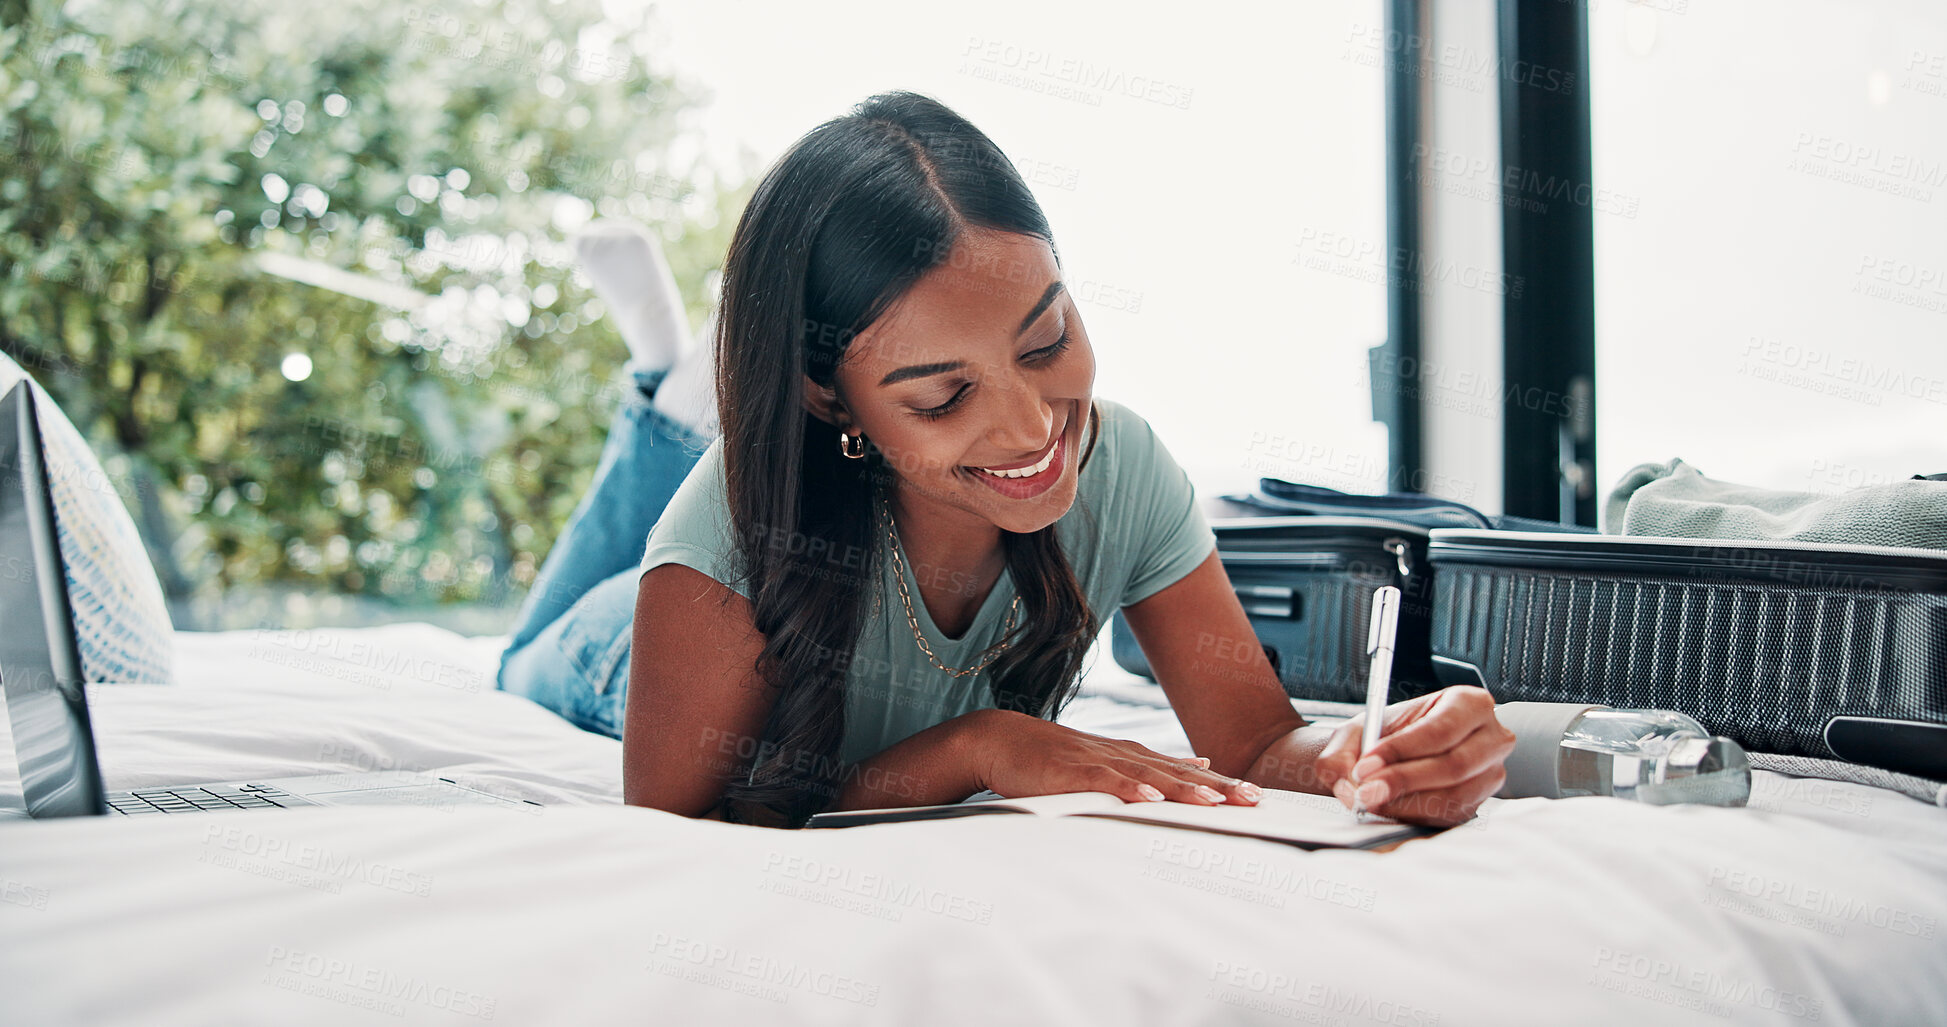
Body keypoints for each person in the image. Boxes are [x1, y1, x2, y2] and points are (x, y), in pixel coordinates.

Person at [497, 90, 1514, 829]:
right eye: (944, 396)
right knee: (522, 651)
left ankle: (668, 388)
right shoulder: (724, 539)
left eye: (1045, 339)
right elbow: (684, 825)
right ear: (825, 396)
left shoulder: (1125, 469)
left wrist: (1363, 749)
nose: (1034, 427)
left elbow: (1253, 742)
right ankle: (659, 391)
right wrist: (974, 745)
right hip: (618, 649)